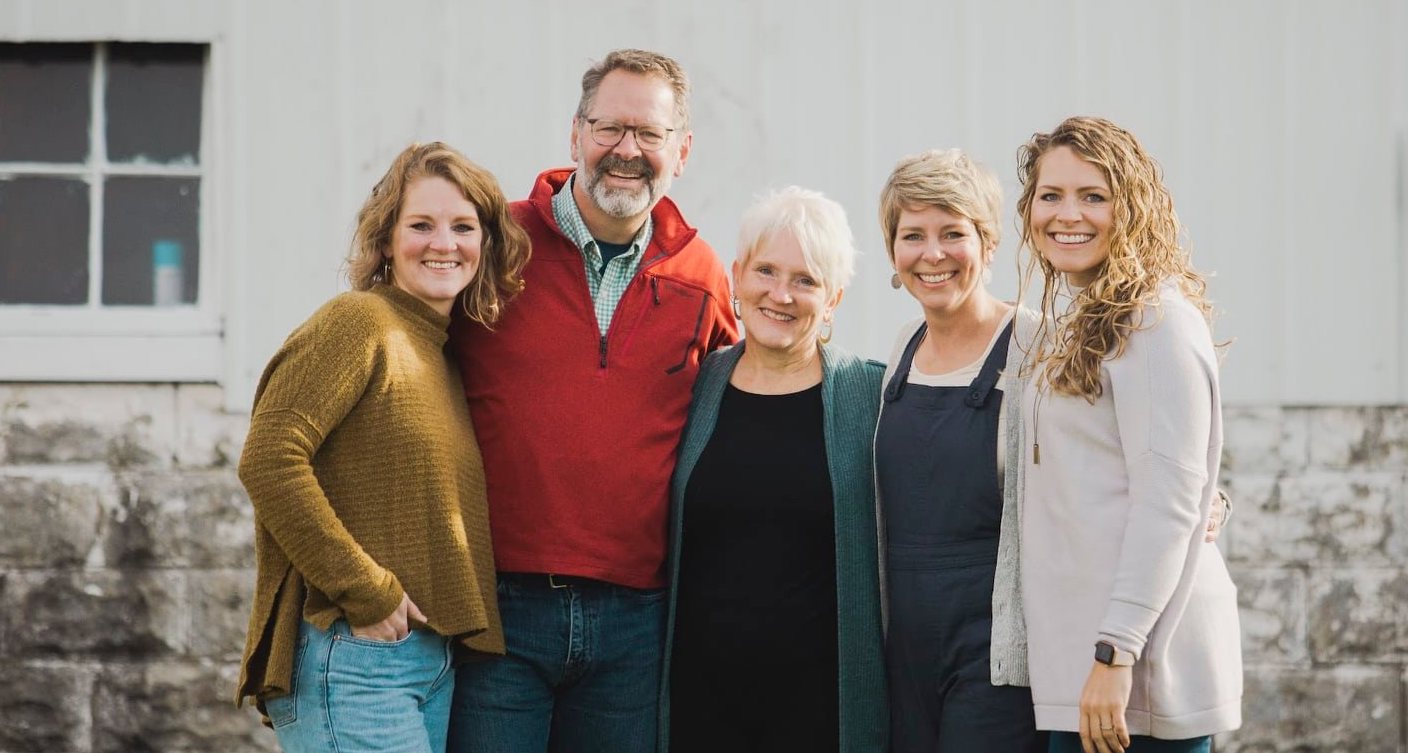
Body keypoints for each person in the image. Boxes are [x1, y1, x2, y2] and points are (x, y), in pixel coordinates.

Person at [446, 49, 736, 753]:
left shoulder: (702, 276)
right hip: (500, 610)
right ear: (575, 133)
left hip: (636, 622)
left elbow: (748, 405)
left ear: (682, 151)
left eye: (650, 134)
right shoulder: (494, 245)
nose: (627, 152)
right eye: (609, 129)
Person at [234, 142, 530, 752]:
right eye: (420, 225)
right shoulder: (360, 322)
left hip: (425, 661)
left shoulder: (438, 351)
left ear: (487, 243)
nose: (443, 243)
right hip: (355, 653)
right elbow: (269, 457)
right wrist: (366, 590)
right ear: (386, 240)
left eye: (463, 227)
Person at [1015, 116, 1242, 753]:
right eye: (1050, 195)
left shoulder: (1157, 320)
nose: (1068, 214)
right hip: (1084, 666)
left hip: (1133, 673)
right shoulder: (1078, 321)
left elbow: (1169, 499)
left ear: (1132, 206)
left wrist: (1116, 654)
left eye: (1094, 196)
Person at [662, 187, 887, 753]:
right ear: (737, 277)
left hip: (821, 709)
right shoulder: (696, 386)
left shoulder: (869, 396)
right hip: (700, 703)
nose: (780, 294)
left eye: (806, 280)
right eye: (766, 270)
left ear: (833, 298)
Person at [874, 148, 1046, 753]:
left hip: (995, 649)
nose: (933, 254)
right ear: (893, 251)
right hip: (905, 648)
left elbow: (1122, 448)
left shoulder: (1038, 346)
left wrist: (1213, 500)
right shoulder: (902, 348)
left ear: (988, 242)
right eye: (912, 235)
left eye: (953, 233)